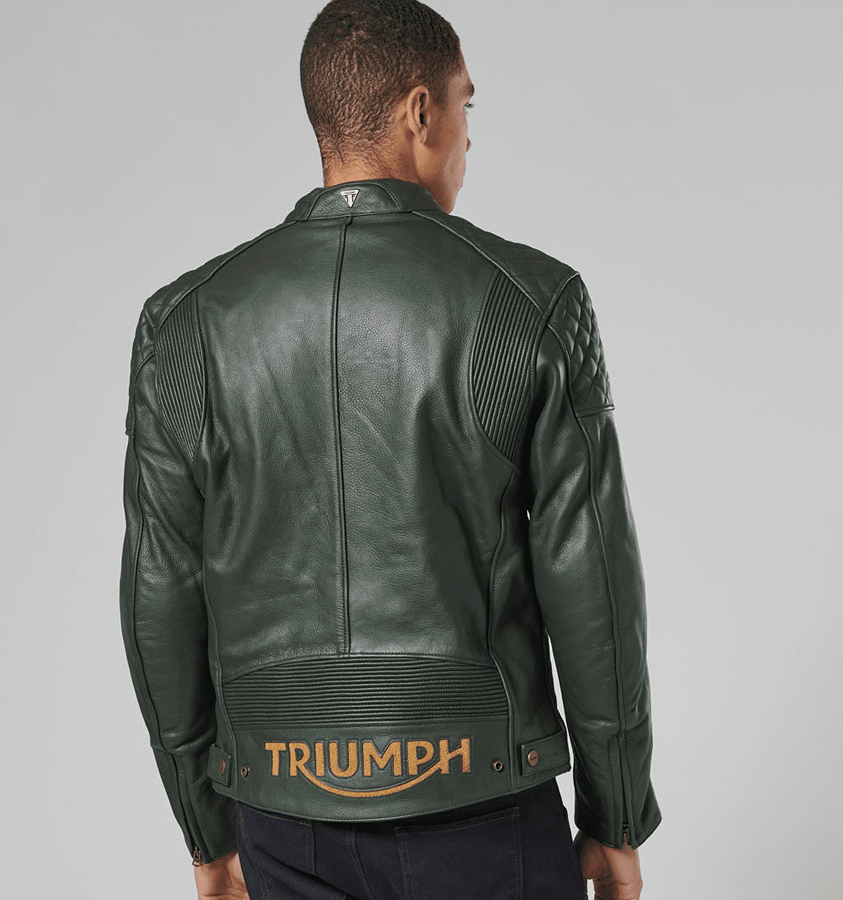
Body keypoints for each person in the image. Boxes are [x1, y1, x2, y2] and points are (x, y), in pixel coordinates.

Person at [118, 1, 662, 898]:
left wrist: (207, 831)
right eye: (465, 106)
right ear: (420, 112)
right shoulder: (533, 300)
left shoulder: (181, 324)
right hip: (483, 801)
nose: (468, 137)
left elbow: (160, 593)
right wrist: (617, 813)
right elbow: (592, 577)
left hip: (282, 816)